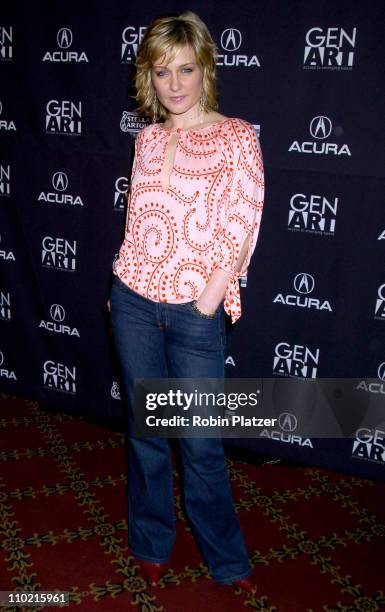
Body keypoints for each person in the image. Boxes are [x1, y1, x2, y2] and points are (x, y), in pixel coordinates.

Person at [109, 10, 264, 593]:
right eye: (160, 71)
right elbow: (138, 220)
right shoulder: (147, 139)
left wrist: (207, 301)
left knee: (200, 445)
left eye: (185, 69)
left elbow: (242, 221)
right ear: (148, 78)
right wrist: (123, 289)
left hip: (194, 313)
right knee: (147, 433)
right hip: (132, 303)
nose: (173, 84)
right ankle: (150, 541)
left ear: (206, 71)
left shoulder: (237, 137)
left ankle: (227, 559)